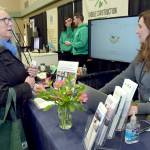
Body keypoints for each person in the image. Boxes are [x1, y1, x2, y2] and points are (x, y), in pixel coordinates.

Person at [99, 10, 150, 116]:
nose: (137, 31)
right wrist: (100, 93)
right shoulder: (143, 53)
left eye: (140, 27)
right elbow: (124, 77)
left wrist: (136, 109)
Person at [0, 7, 39, 110]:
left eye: (10, 19)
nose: (10, 23)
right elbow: (2, 96)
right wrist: (27, 86)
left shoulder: (11, 48)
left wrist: (27, 71)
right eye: (5, 20)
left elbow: (10, 75)